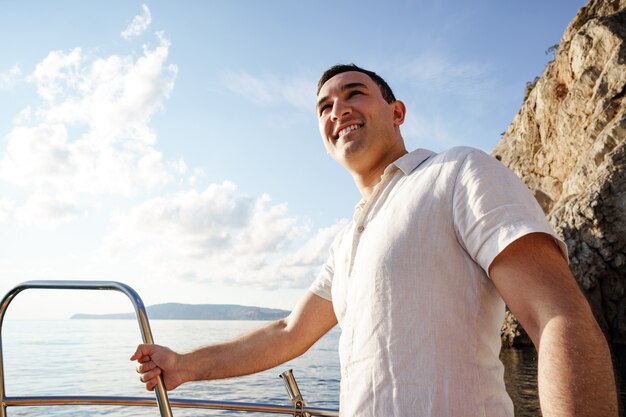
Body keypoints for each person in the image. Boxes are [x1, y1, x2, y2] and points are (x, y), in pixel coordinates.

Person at [131, 64, 618, 416]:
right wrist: (184, 365)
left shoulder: (458, 172)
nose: (338, 109)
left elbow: (556, 316)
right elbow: (287, 333)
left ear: (397, 111)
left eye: (354, 94)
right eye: (325, 106)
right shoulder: (348, 240)